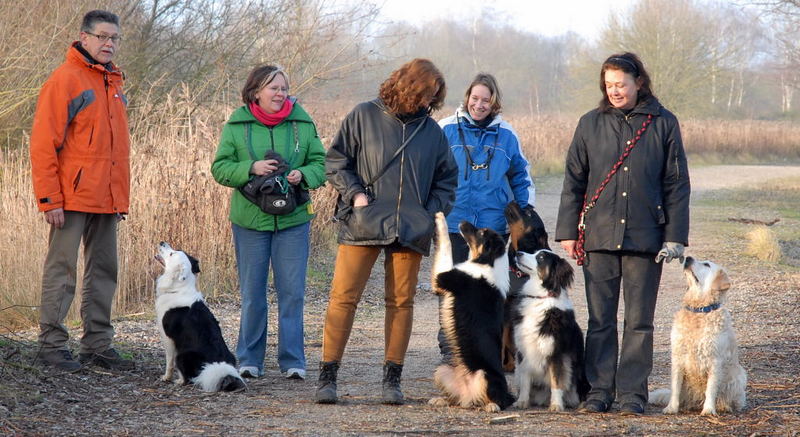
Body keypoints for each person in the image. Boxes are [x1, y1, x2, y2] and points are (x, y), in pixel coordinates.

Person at [316, 58, 458, 405]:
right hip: (363, 221)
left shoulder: (431, 131)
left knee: (401, 303)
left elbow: (448, 180)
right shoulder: (363, 115)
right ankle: (327, 377)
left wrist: (427, 213)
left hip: (410, 229)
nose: (430, 103)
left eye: (434, 98)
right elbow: (335, 161)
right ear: (410, 87)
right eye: (427, 95)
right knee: (343, 299)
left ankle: (392, 380)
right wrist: (356, 194)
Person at [555, 52, 690, 415]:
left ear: (639, 83)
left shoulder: (664, 123)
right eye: (609, 85)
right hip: (598, 236)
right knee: (600, 320)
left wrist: (675, 236)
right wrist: (568, 231)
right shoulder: (589, 123)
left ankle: (632, 394)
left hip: (646, 237)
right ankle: (599, 391)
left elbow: (677, 183)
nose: (614, 91)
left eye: (621, 84)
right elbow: (574, 180)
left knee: (639, 322)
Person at [29, 10, 134, 372]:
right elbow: (44, 144)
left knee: (105, 270)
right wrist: (49, 199)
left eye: (114, 38)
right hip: (69, 199)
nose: (109, 44)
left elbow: (116, 150)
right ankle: (52, 346)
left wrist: (120, 197)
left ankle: (98, 346)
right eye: (102, 37)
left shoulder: (113, 82)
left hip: (107, 199)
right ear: (84, 37)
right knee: (62, 270)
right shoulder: (66, 79)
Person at [211, 64, 326, 380]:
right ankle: (249, 359)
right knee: (252, 293)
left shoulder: (302, 122)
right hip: (249, 222)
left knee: (293, 293)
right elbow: (220, 168)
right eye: (273, 88)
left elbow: (321, 163)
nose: (280, 94)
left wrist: (303, 175)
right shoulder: (237, 125)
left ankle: (293, 361)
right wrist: (251, 167)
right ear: (256, 91)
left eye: (284, 88)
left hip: (294, 221)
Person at [436, 73, 535, 362]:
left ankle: (490, 352)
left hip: (493, 230)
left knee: (490, 293)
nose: (479, 105)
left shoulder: (507, 134)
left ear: (494, 103)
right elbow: (431, 172)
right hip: (456, 225)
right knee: (452, 291)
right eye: (475, 98)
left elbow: (520, 175)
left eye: (486, 100)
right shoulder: (446, 129)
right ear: (467, 97)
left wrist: (525, 210)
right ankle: (451, 353)